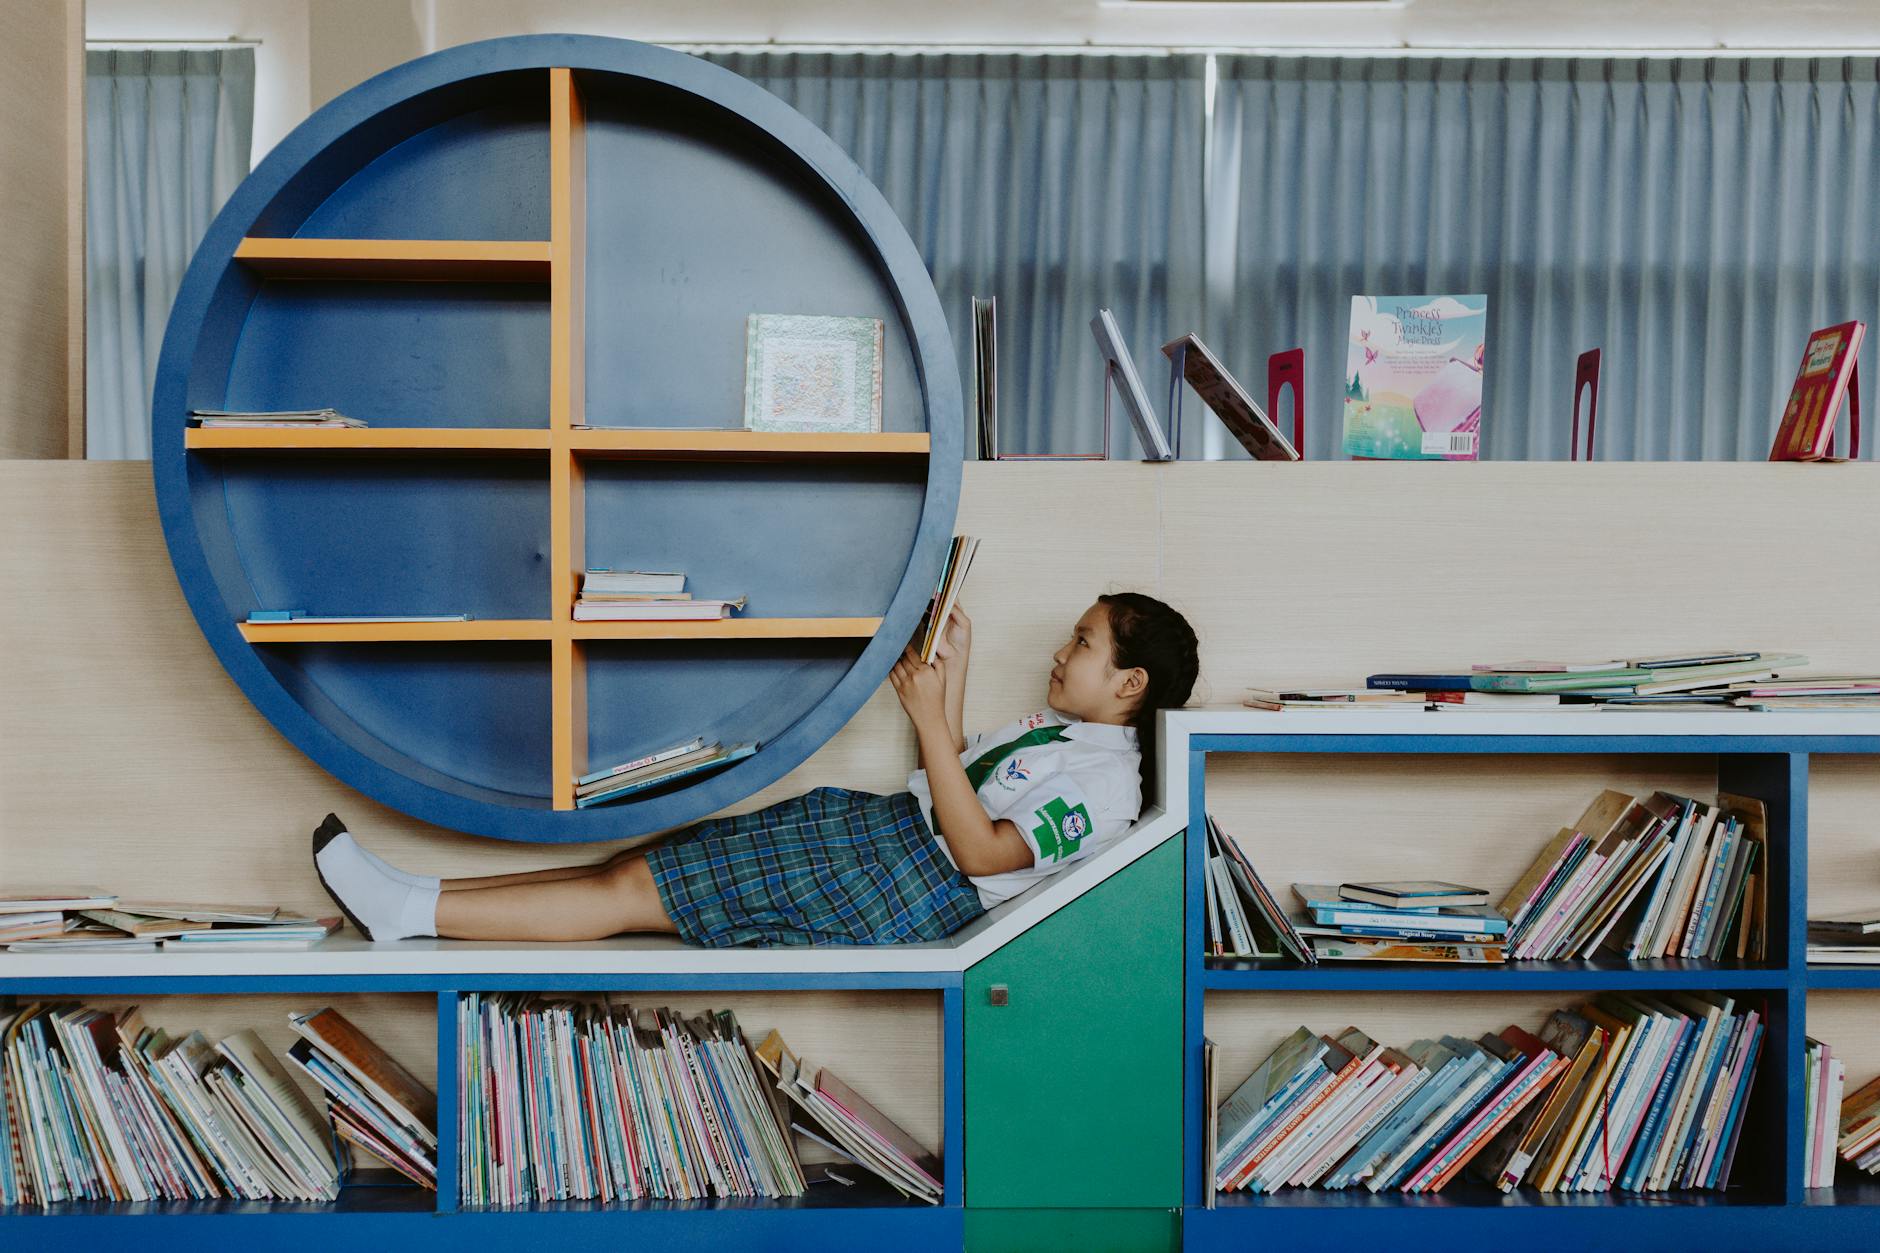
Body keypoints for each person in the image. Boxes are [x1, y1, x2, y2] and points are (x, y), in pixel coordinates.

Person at [311, 591, 1200, 947]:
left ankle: (413, 913)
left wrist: (928, 717)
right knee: (638, 868)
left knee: (638, 890)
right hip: (884, 836)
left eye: (1081, 643)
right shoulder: (1067, 734)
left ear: (1130, 681)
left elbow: (978, 851)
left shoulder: (1105, 785)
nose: (1060, 650)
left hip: (906, 874)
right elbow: (958, 785)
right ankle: (421, 898)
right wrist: (948, 681)